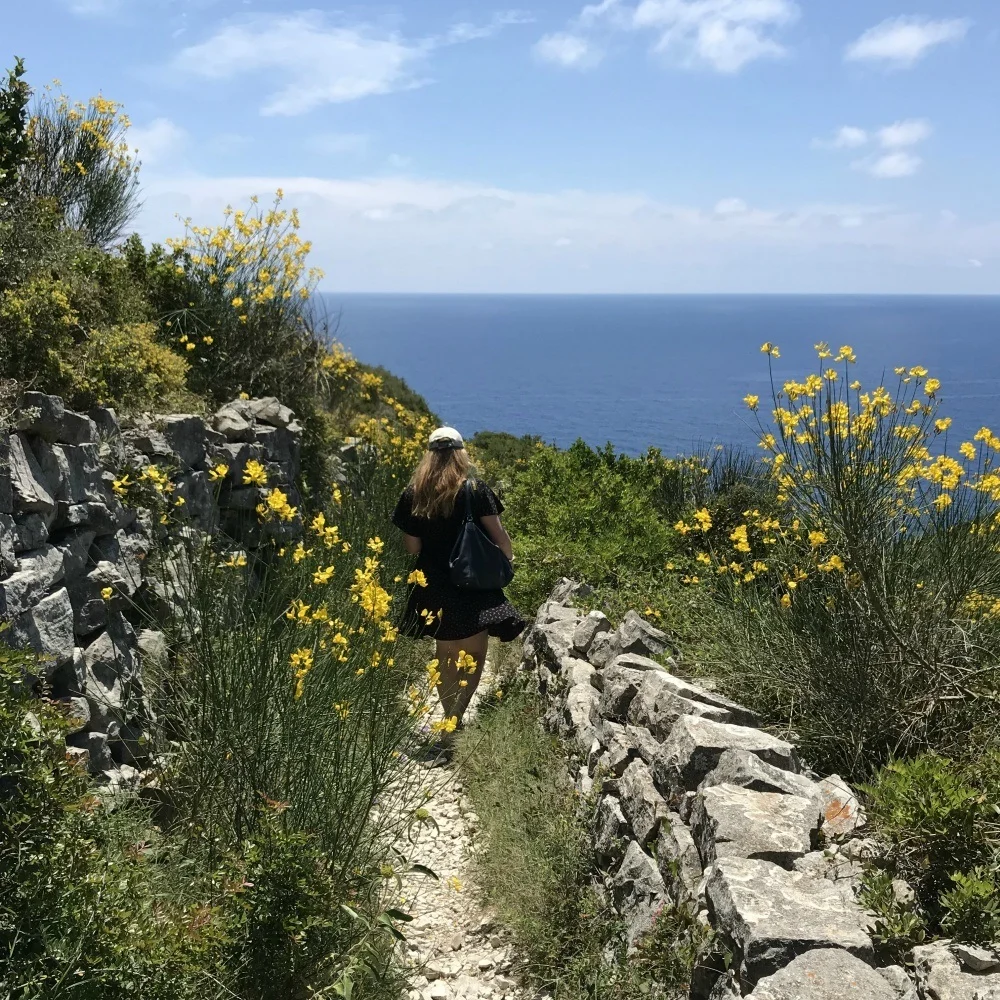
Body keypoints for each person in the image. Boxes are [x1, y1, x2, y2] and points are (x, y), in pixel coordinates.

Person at [392, 426, 526, 732]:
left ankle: (448, 716)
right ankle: (457, 717)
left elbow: (412, 547)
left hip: (433, 583)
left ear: (429, 456)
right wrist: (507, 558)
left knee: (446, 653)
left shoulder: (414, 493)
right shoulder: (476, 490)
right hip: (473, 581)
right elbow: (499, 535)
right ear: (461, 454)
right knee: (474, 653)